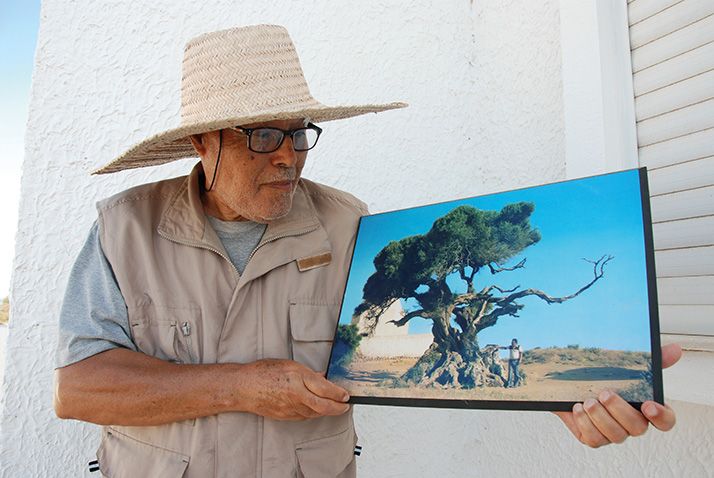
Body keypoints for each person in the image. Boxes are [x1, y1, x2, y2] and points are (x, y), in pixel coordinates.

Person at [53, 23, 681, 478]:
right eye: (263, 134)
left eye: (300, 133)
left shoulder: (351, 225)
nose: (287, 156)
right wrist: (242, 386)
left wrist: (565, 401)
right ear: (201, 141)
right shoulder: (124, 228)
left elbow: (421, 353)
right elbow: (79, 390)